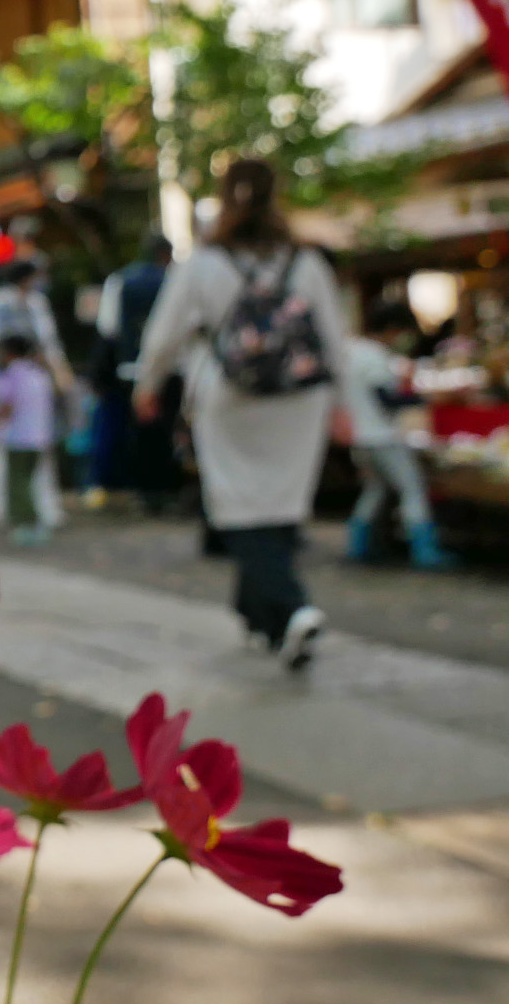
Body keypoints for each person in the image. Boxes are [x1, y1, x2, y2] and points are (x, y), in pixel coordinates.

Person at [135, 157, 353, 671]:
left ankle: (291, 606)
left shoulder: (205, 262)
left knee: (239, 507)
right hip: (300, 399)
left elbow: (163, 335)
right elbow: (335, 339)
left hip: (229, 395)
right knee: (278, 503)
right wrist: (344, 405)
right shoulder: (306, 262)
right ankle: (260, 616)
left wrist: (146, 386)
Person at [343, 299, 456, 569]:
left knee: (376, 489)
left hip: (359, 436)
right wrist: (428, 398)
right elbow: (387, 400)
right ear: (393, 329)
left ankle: (358, 544)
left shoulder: (353, 352)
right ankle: (424, 550)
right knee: (413, 488)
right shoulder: (374, 357)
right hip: (380, 436)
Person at [0, 258, 72, 528]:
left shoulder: (36, 303)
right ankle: (5, 504)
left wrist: (56, 371)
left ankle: (43, 504)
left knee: (39, 447)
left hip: (33, 386)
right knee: (4, 447)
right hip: (5, 383)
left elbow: (49, 342)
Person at [91, 235, 180, 511]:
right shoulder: (175, 281)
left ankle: (142, 491)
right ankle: (164, 491)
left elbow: (109, 328)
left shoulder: (121, 281)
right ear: (167, 255)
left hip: (132, 366)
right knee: (165, 433)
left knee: (138, 433)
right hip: (172, 367)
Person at [0, 335, 55, 545]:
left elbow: (6, 408)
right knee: (29, 482)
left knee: (18, 484)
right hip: (39, 437)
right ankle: (32, 523)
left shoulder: (10, 375)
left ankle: (27, 523)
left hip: (19, 438)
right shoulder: (38, 374)